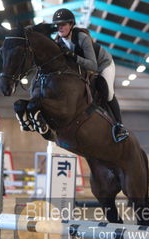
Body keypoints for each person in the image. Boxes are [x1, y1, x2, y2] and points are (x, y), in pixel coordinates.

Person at [52, 8, 129, 143]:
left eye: (63, 24)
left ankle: (119, 126)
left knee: (109, 92)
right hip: (84, 68)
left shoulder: (82, 38)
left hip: (103, 64)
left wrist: (73, 57)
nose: (60, 27)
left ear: (71, 24)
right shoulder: (58, 41)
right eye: (58, 25)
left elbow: (93, 65)